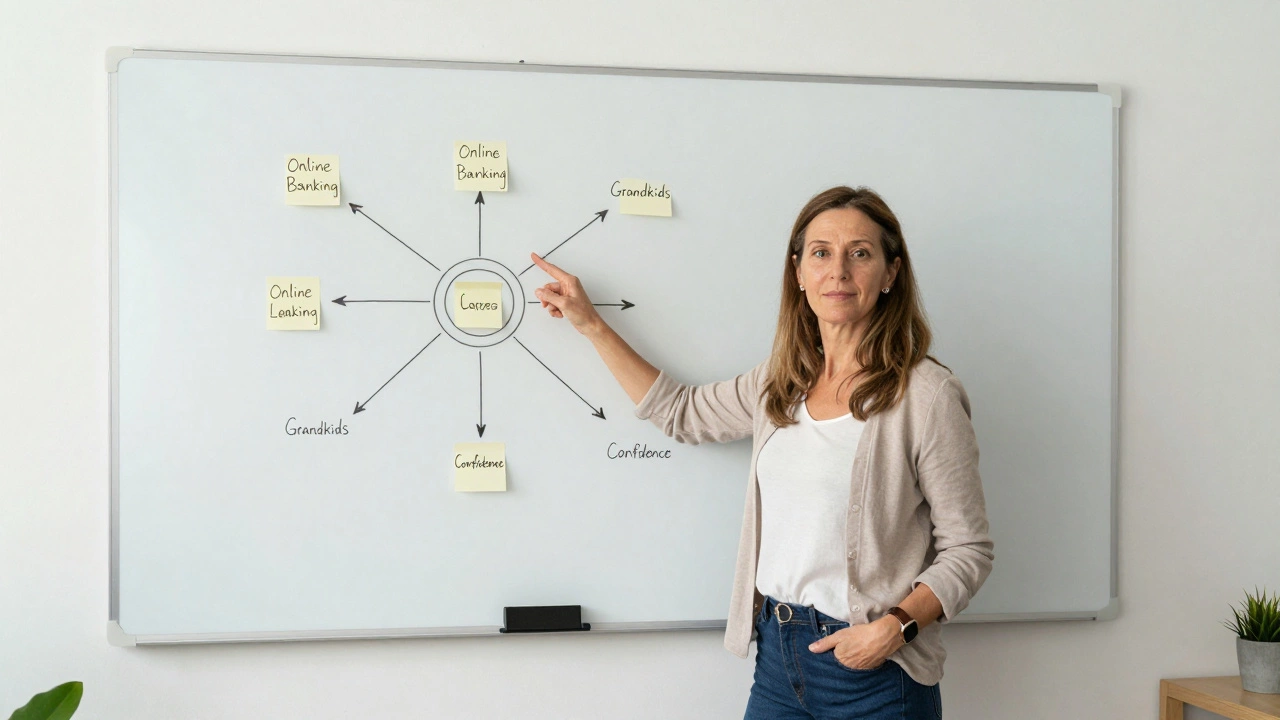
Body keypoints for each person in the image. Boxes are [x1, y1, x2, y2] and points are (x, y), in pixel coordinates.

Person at [530, 186, 993, 720]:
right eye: (820, 252)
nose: (838, 271)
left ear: (891, 273)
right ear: (798, 272)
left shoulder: (926, 395)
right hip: (778, 659)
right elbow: (681, 412)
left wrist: (894, 629)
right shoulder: (781, 382)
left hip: (876, 675)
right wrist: (590, 324)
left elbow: (969, 549)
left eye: (860, 253)